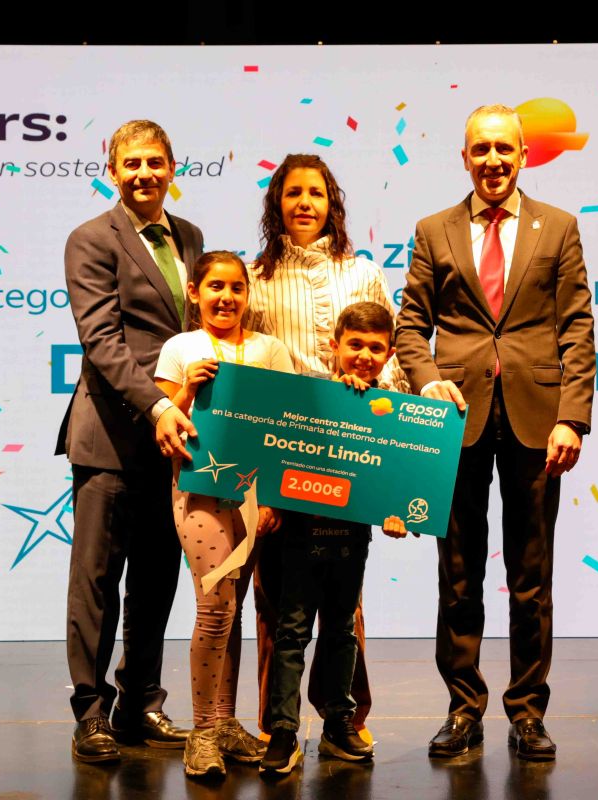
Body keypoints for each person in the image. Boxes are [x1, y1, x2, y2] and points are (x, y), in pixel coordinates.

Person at [395, 104, 596, 762]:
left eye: (503, 148)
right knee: (458, 576)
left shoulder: (558, 227)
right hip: (455, 422)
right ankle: (463, 708)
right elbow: (409, 326)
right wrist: (427, 381)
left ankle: (528, 712)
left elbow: (576, 327)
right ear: (465, 157)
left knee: (531, 578)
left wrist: (572, 416)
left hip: (539, 422)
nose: (493, 160)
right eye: (480, 149)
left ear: (523, 155)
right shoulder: (434, 230)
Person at [247, 153, 407, 739]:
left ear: (331, 203)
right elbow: (248, 362)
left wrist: (390, 436)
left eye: (315, 193)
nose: (305, 203)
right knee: (278, 601)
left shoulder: (362, 274)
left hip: (349, 454)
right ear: (277, 203)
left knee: (345, 602)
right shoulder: (257, 277)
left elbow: (389, 366)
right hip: (283, 453)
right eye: (293, 193)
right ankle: (276, 725)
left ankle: (345, 717)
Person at [58, 119, 202, 764]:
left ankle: (140, 702)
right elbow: (102, 342)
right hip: (112, 437)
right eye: (132, 163)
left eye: (155, 162)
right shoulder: (91, 239)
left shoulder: (190, 237)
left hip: (174, 442)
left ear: (173, 168)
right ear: (113, 171)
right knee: (96, 581)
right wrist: (159, 404)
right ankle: (91, 713)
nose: (144, 173)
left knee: (156, 580)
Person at [154, 250, 293, 777]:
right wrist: (188, 388)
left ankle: (225, 722)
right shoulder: (179, 348)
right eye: (215, 286)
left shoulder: (270, 349)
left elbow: (286, 428)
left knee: (232, 611)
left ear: (248, 294)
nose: (226, 297)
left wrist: (274, 497)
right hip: (199, 493)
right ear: (195, 292)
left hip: (254, 499)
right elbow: (163, 429)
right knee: (214, 609)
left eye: (236, 287)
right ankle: (203, 733)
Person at [259, 302, 409, 776]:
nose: (364, 355)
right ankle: (283, 731)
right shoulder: (312, 394)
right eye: (355, 345)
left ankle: (338, 723)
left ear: (389, 355)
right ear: (334, 345)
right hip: (299, 537)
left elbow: (397, 475)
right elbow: (278, 446)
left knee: (342, 632)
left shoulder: (391, 411)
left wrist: (398, 515)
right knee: (291, 633)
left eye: (376, 348)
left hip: (351, 540)